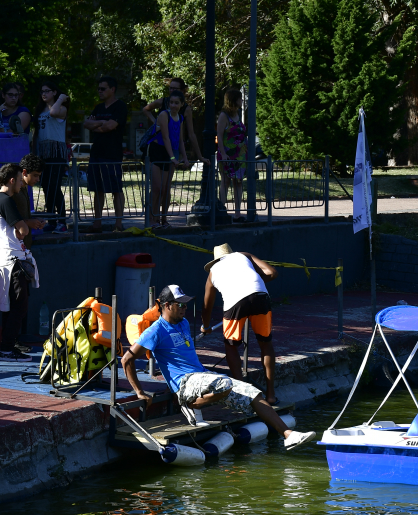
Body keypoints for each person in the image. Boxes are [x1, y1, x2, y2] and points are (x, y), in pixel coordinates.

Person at [120, 284, 315, 450]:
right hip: (184, 382)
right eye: (179, 304)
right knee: (222, 383)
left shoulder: (184, 323)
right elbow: (126, 359)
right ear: (166, 305)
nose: (184, 308)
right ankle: (190, 403)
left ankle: (289, 435)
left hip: (202, 376)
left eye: (186, 304)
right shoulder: (155, 331)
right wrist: (139, 392)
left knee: (252, 391)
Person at [200, 243, 279, 405]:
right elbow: (272, 273)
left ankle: (244, 396)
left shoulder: (213, 273)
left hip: (234, 303)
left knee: (231, 346)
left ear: (215, 260)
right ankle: (271, 396)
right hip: (260, 295)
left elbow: (206, 306)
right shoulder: (244, 255)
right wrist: (254, 283)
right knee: (266, 344)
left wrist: (205, 327)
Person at [0, 159, 46, 359]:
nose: (22, 184)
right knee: (18, 305)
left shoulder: (1, 198)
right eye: (20, 181)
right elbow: (22, 229)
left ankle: (7, 346)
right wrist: (23, 229)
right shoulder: (5, 199)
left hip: (9, 258)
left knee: (12, 305)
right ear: (13, 180)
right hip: (11, 259)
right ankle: (6, 348)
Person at [83, 76, 127, 233]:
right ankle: (97, 224)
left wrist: (98, 125)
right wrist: (102, 124)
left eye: (103, 88)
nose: (99, 91)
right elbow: (86, 124)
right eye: (98, 89)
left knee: (116, 189)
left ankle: (119, 225)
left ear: (112, 89)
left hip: (112, 154)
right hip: (96, 153)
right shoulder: (98, 108)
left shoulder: (120, 106)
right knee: (97, 189)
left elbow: (111, 126)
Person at [146, 89, 188, 229]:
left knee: (166, 189)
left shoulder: (180, 118)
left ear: (182, 104)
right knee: (157, 188)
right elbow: (165, 137)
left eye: (177, 103)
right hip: (158, 151)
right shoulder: (164, 115)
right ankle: (153, 219)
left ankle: (164, 218)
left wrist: (185, 158)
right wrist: (173, 158)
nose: (173, 105)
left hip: (171, 152)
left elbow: (180, 140)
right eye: (171, 102)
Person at [140, 77, 206, 165]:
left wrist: (199, 156)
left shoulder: (185, 110)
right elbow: (146, 109)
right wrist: (156, 123)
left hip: (174, 144)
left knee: (168, 176)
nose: (171, 90)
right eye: (170, 88)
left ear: (182, 90)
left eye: (175, 88)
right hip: (159, 144)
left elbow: (190, 134)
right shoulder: (163, 102)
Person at [32, 80, 70, 233]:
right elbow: (36, 134)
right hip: (43, 153)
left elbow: (53, 113)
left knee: (54, 187)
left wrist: (61, 98)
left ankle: (62, 221)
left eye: (47, 91)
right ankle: (51, 220)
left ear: (54, 92)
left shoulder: (61, 109)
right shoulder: (40, 110)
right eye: (42, 91)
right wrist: (34, 153)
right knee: (47, 187)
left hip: (56, 153)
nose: (44, 94)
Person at [216, 87, 246, 222]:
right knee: (226, 181)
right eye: (239, 98)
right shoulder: (224, 115)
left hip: (239, 154)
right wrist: (223, 153)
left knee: (238, 182)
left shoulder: (239, 113)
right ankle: (222, 210)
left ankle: (237, 213)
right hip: (227, 153)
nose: (241, 101)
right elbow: (220, 135)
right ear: (234, 100)